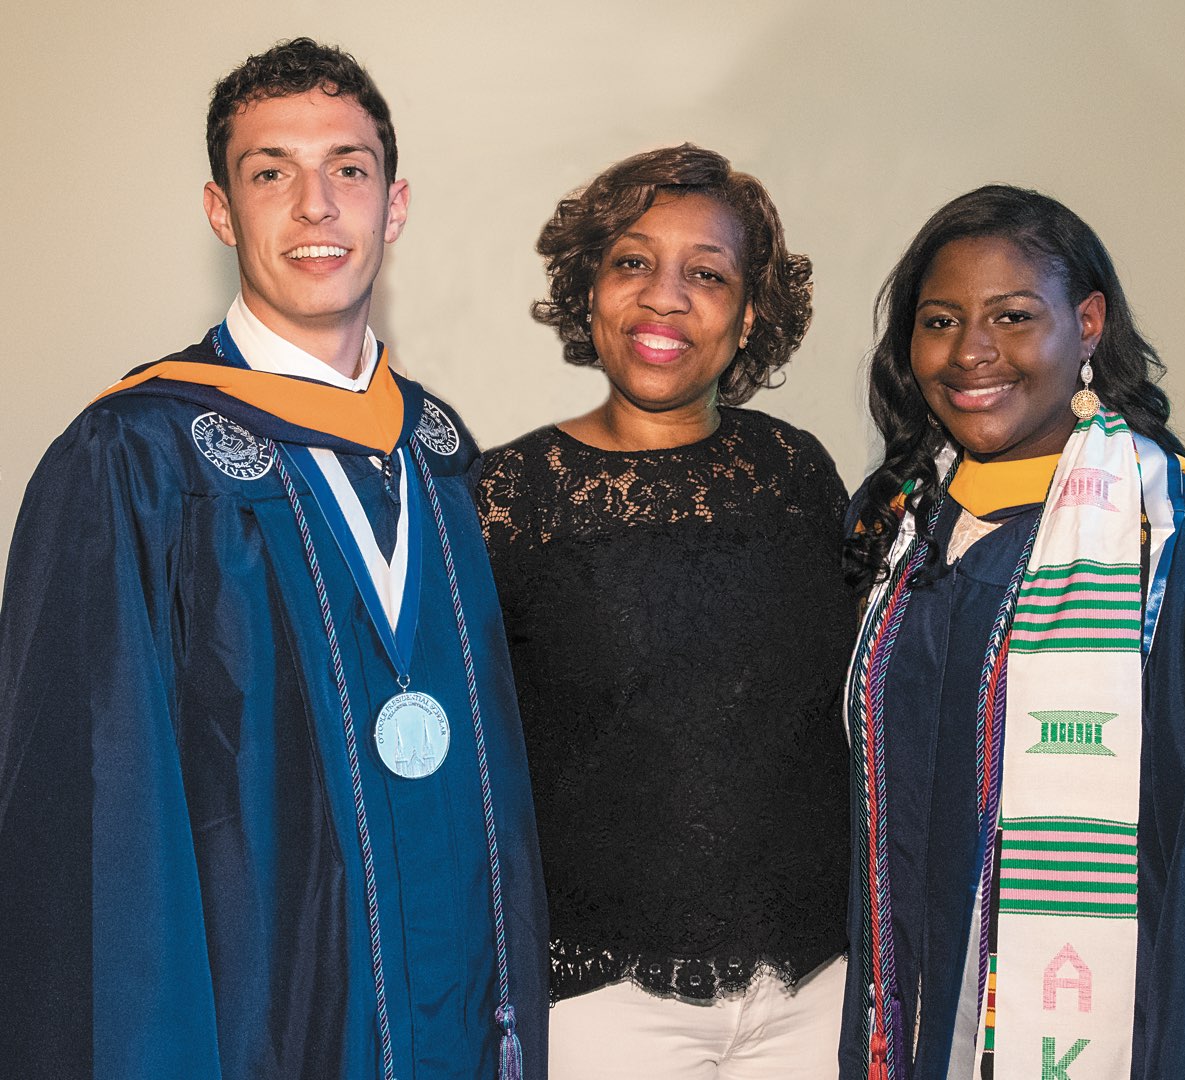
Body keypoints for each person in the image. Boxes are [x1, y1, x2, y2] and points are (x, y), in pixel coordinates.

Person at [0, 38, 546, 1080]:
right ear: (221, 210)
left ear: (394, 205)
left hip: (460, 1014)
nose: (315, 206)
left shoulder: (438, 452)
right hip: (260, 1021)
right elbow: (91, 821)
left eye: (348, 169)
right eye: (271, 173)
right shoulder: (134, 460)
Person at [839, 184, 1185, 1080]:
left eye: (1012, 316)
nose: (970, 354)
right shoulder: (897, 535)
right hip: (907, 1027)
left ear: (1089, 323)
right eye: (941, 320)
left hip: (1122, 1030)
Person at [474, 145, 853, 1079]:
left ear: (749, 312)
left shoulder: (798, 473)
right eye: (633, 262)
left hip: (816, 988)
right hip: (606, 1007)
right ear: (590, 288)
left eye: (708, 275)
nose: (665, 297)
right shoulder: (504, 496)